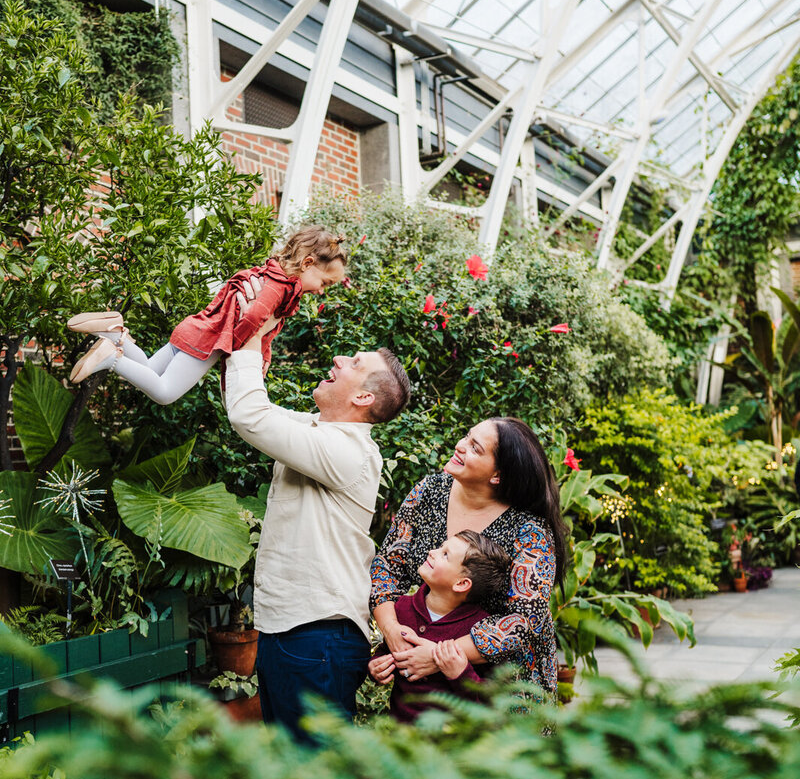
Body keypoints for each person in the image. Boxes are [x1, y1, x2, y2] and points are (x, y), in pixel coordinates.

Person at [225, 320, 411, 744]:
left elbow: (248, 416)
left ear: (363, 397)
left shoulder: (347, 451)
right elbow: (249, 406)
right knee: (295, 770)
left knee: (315, 777)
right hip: (293, 630)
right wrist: (251, 337)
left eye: (354, 362)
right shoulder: (320, 432)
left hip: (317, 636)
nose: (338, 359)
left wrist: (255, 323)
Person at [369, 418, 566, 696]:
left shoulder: (529, 531)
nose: (460, 446)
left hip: (502, 690)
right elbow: (387, 567)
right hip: (425, 689)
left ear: (497, 475)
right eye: (466, 436)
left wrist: (439, 655)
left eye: (475, 448)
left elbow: (525, 621)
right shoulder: (428, 492)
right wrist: (392, 631)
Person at [67, 225, 347, 403]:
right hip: (207, 343)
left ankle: (115, 334)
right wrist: (239, 356)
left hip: (194, 329)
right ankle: (110, 358)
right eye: (325, 283)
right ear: (308, 263)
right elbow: (251, 320)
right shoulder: (278, 287)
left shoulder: (267, 273)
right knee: (165, 393)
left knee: (150, 371)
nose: (322, 291)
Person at [368, 530, 511, 723]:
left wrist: (461, 674)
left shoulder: (480, 630)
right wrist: (378, 667)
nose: (432, 552)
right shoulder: (402, 608)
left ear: (461, 584)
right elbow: (389, 651)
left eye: (445, 554)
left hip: (452, 745)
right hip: (401, 738)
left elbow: (491, 702)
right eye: (440, 547)